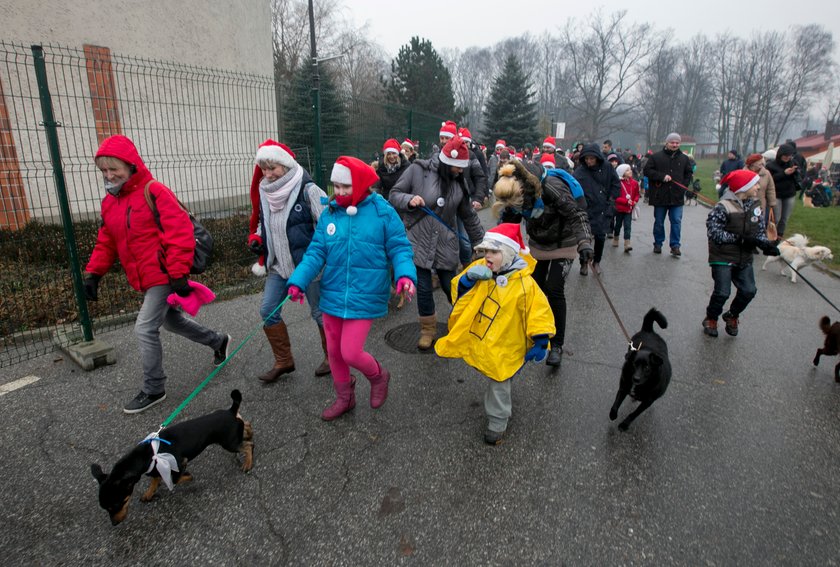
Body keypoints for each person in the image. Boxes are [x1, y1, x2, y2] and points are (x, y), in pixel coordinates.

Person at [84, 135, 231, 414]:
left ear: (131, 165)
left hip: (163, 274)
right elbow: (107, 240)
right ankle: (218, 340)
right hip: (144, 276)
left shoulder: (155, 191)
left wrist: (177, 274)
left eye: (113, 168)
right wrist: (93, 273)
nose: (109, 175)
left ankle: (154, 388)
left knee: (144, 328)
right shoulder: (110, 203)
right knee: (171, 323)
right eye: (103, 170)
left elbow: (180, 233)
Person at [286, 157, 417, 420]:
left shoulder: (382, 211)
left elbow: (400, 247)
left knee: (350, 351)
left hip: (365, 293)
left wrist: (404, 274)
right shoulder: (330, 213)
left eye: (346, 187)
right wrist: (298, 281)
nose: (340, 192)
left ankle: (378, 376)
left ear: (360, 184)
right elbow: (315, 252)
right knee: (334, 351)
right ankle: (345, 397)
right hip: (332, 292)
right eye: (336, 186)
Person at [434, 223, 555, 445]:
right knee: (495, 372)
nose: (488, 256)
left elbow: (538, 311)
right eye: (486, 251)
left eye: (494, 252)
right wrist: (467, 280)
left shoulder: (525, 285)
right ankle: (501, 401)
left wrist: (540, 339)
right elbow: (459, 294)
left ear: (508, 254)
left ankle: (497, 421)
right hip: (483, 335)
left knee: (499, 377)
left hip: (509, 341)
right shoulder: (481, 269)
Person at [493, 160, 593, 369]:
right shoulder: (514, 191)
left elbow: (577, 215)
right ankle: (535, 332)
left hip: (564, 242)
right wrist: (494, 248)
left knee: (554, 289)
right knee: (534, 288)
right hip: (538, 242)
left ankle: (556, 344)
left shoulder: (552, 187)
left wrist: (585, 243)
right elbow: (507, 224)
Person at [389, 136, 485, 350]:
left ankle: (464, 323)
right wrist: (409, 200)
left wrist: (481, 242)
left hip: (445, 241)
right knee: (423, 288)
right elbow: (394, 194)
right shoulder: (417, 170)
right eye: (457, 168)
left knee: (451, 285)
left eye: (462, 168)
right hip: (418, 239)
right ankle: (428, 330)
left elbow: (468, 216)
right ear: (445, 163)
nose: (460, 172)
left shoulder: (459, 183)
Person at [247, 140, 330, 382]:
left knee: (320, 313)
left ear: (284, 164)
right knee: (267, 310)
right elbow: (265, 222)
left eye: (272, 168)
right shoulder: (265, 190)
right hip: (278, 264)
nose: (267, 174)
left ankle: (333, 358)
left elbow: (327, 225)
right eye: (263, 169)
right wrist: (258, 237)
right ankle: (284, 361)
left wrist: (323, 258)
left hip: (309, 266)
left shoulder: (308, 189)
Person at [702, 170, 780, 338]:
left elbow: (758, 233)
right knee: (722, 292)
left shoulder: (755, 206)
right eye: (755, 184)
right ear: (743, 187)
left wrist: (767, 245)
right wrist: (739, 239)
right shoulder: (723, 206)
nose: (759, 187)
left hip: (744, 257)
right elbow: (714, 233)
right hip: (722, 257)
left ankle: (732, 315)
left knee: (749, 290)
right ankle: (711, 318)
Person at [643, 133, 693, 256]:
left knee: (676, 221)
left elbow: (688, 174)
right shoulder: (656, 157)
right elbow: (647, 171)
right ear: (667, 143)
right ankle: (658, 243)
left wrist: (683, 186)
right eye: (672, 142)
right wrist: (661, 176)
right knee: (659, 221)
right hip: (660, 195)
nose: (675, 144)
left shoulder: (684, 159)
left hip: (677, 196)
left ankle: (675, 245)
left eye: (677, 142)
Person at [574, 143, 620, 275]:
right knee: (585, 239)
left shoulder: (607, 167)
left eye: (591, 158)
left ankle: (597, 261)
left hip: (603, 207)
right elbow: (573, 187)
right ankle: (584, 263)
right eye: (586, 158)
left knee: (600, 237)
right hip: (586, 208)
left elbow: (616, 183)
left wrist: (611, 199)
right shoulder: (580, 171)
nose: (589, 161)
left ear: (597, 157)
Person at [765, 143, 800, 237]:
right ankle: (769, 234)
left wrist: (795, 172)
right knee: (776, 218)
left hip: (789, 194)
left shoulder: (793, 163)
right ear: (780, 154)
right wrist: (784, 173)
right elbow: (769, 180)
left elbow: (799, 177)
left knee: (785, 218)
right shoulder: (770, 165)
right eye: (785, 155)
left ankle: (779, 237)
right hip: (776, 194)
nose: (787, 157)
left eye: (789, 156)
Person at [612, 164, 640, 252]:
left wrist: (635, 201)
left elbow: (637, 194)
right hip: (620, 209)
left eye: (630, 169)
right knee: (618, 225)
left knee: (628, 226)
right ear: (622, 173)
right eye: (627, 170)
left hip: (629, 209)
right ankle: (616, 238)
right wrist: (625, 201)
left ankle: (627, 243)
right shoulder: (618, 184)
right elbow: (616, 197)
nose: (630, 171)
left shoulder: (634, 183)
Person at [744, 153, 776, 226]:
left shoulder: (766, 173)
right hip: (745, 203)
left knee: (760, 223)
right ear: (752, 163)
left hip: (761, 204)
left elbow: (771, 188)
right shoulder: (743, 173)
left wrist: (772, 202)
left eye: (762, 161)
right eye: (759, 161)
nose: (762, 163)